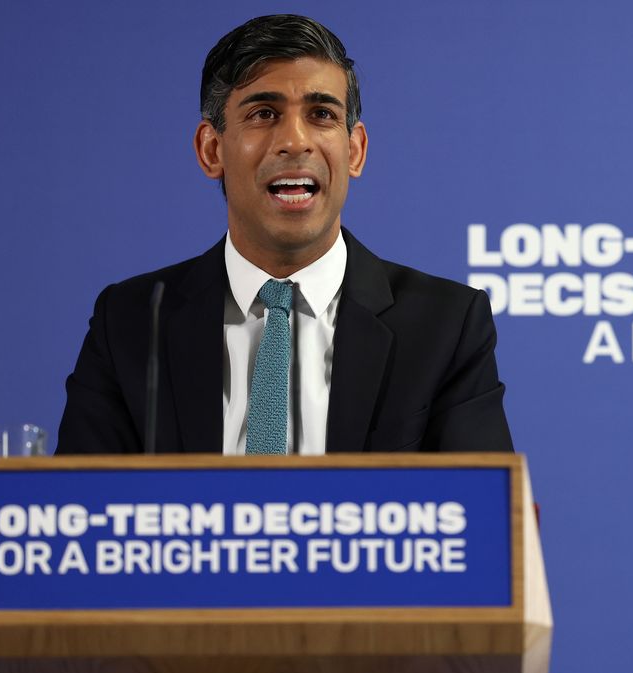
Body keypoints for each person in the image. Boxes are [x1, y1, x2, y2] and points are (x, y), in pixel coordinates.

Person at [56, 14, 513, 455]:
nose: (295, 140)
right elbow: (76, 513)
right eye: (264, 113)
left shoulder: (445, 325)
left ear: (354, 151)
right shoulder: (132, 323)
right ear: (211, 149)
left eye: (321, 114)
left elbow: (481, 519)